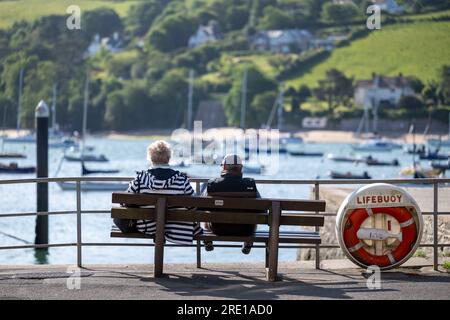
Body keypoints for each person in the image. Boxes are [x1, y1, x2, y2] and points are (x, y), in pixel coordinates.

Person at [113, 140, 202, 244]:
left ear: (150, 158)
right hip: (175, 227)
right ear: (168, 158)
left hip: (146, 227)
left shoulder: (141, 178)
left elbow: (125, 201)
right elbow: (192, 205)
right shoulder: (181, 179)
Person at [202, 154, 261, 254]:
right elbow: (261, 209)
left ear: (224, 167)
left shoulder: (212, 184)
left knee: (205, 213)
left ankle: (208, 240)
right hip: (245, 230)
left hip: (217, 229)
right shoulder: (250, 184)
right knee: (254, 214)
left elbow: (201, 206)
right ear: (241, 168)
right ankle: (248, 242)